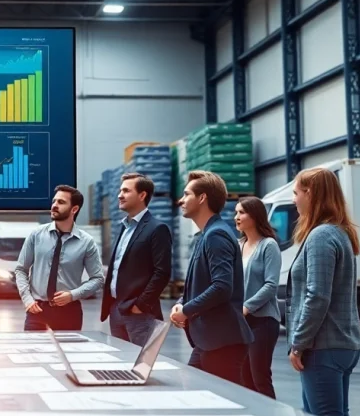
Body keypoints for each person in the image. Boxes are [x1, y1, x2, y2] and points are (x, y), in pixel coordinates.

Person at [285, 167, 360, 416]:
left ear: (310, 193)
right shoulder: (338, 232)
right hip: (341, 344)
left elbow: (317, 296)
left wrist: (299, 343)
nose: (294, 200)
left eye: (296, 193)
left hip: (323, 346)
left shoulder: (320, 236)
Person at [171, 170, 252, 386]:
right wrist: (181, 304)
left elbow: (222, 287)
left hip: (221, 342)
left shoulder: (216, 235)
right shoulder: (207, 235)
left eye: (186, 194)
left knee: (222, 410)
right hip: (208, 342)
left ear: (202, 198)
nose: (181, 200)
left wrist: (187, 310)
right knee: (195, 395)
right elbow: (199, 283)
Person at [14, 185, 104, 331]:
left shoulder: (86, 242)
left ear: (74, 209)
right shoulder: (36, 235)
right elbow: (21, 269)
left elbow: (98, 279)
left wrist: (72, 295)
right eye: (54, 201)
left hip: (69, 311)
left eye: (61, 202)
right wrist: (27, 300)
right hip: (37, 310)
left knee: (67, 353)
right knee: (32, 353)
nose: (54, 205)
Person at [100, 172, 172, 346]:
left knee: (139, 367)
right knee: (121, 366)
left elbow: (162, 272)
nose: (119, 195)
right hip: (116, 309)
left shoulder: (157, 228)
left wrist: (140, 305)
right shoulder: (125, 228)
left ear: (142, 195)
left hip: (139, 314)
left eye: (126, 191)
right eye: (120, 190)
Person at [234, 196, 282, 399]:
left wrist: (246, 307)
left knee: (259, 376)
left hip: (262, 321)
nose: (236, 217)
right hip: (240, 321)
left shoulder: (268, 245)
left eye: (241, 212)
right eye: (236, 212)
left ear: (255, 216)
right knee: (243, 377)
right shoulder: (238, 245)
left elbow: (271, 285)